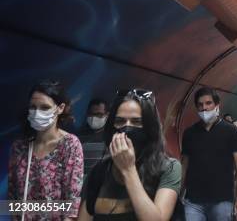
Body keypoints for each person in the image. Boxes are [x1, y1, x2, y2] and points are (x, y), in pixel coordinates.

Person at [77, 89, 181, 221]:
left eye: (137, 122)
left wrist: (128, 169)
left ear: (149, 127)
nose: (127, 128)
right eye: (120, 121)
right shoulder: (100, 171)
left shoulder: (168, 168)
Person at [8, 80, 84, 220]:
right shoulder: (19, 147)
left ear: (60, 108)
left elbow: (72, 204)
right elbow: (13, 196)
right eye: (33, 107)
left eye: (44, 107)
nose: (37, 113)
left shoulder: (70, 145)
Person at [181, 87, 237, 221]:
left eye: (208, 103)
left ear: (217, 105)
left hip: (222, 200)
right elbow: (184, 165)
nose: (204, 108)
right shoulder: (189, 133)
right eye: (200, 105)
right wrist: (178, 194)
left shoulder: (231, 131)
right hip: (193, 201)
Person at [78, 98, 109, 177]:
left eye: (99, 114)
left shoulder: (111, 136)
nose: (94, 117)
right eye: (91, 114)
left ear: (107, 115)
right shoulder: (78, 137)